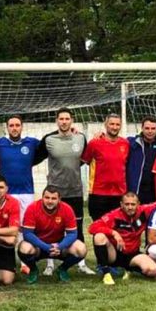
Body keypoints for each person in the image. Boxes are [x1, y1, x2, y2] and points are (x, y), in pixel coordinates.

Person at [36, 107, 95, 276]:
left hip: (75, 191)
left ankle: (81, 263)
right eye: (61, 119)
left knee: (76, 227)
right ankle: (50, 264)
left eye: (67, 119)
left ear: (72, 120)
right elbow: (34, 157)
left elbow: (84, 158)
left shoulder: (80, 138)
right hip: (54, 193)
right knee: (51, 229)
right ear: (56, 121)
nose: (64, 122)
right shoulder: (49, 139)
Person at [88, 192, 156, 285]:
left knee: (153, 271)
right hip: (114, 254)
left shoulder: (144, 211)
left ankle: (129, 269)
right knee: (99, 237)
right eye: (127, 204)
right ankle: (106, 273)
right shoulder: (114, 215)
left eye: (133, 204)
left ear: (138, 204)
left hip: (132, 255)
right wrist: (114, 233)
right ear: (121, 204)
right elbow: (92, 227)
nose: (130, 207)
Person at [18, 185, 86, 284]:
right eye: (47, 197)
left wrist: (60, 246)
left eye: (53, 198)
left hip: (59, 246)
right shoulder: (33, 208)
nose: (50, 201)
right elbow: (27, 234)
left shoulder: (67, 209)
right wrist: (46, 247)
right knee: (24, 248)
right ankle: (33, 270)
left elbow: (72, 233)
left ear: (59, 199)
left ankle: (62, 269)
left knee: (81, 248)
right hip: (38, 246)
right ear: (42, 197)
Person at [0, 115, 43, 218]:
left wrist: (69, 132)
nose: (14, 128)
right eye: (11, 125)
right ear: (7, 127)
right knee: (7, 223)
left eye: (17, 125)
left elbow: (48, 143)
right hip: (6, 192)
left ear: (22, 127)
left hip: (27, 192)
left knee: (25, 223)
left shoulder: (31, 142)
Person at [81, 114, 130, 222]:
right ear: (105, 124)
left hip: (119, 194)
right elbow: (85, 160)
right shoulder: (94, 143)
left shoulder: (125, 144)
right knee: (99, 227)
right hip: (98, 193)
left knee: (118, 227)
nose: (114, 127)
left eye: (117, 124)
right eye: (112, 124)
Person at [127, 116, 156, 204]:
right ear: (142, 128)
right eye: (147, 128)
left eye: (153, 128)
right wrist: (101, 135)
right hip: (138, 190)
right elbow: (115, 141)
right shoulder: (132, 143)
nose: (150, 131)